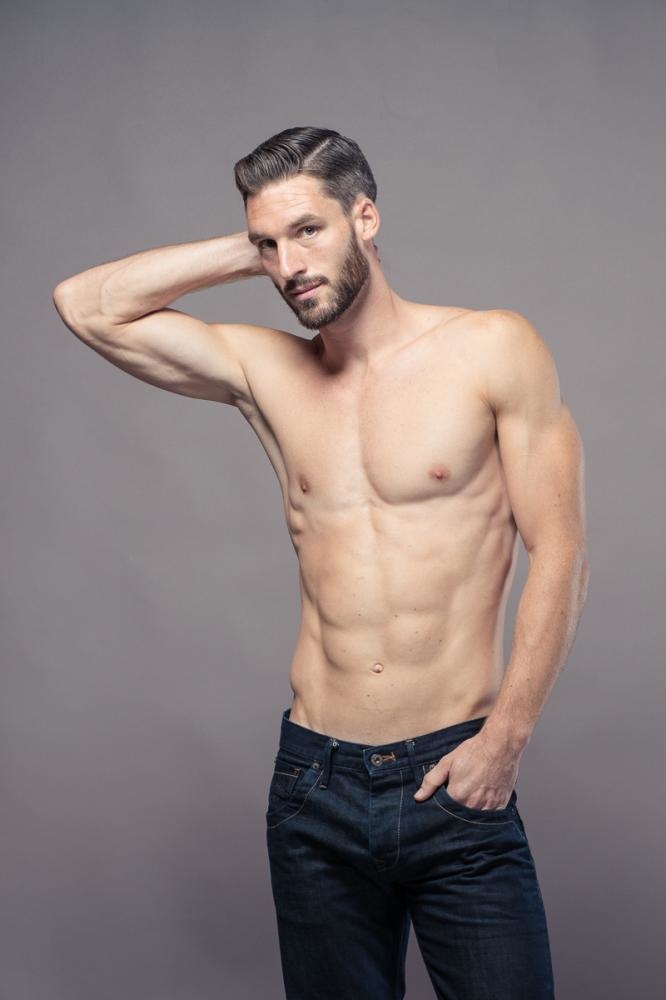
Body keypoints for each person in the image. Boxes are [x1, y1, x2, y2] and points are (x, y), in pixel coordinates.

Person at [52, 126, 589, 999]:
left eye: (311, 230)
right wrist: (259, 246)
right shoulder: (264, 371)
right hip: (315, 783)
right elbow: (85, 304)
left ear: (365, 218)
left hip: (456, 769)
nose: (290, 263)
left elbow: (560, 549)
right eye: (270, 244)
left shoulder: (493, 348)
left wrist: (507, 738)